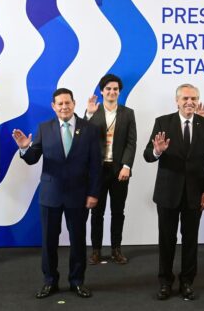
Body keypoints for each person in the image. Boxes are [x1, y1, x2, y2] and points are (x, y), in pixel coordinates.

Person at [12, 88, 101, 299]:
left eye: (67, 103)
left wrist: (93, 193)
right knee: (49, 241)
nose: (64, 107)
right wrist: (24, 148)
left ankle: (77, 282)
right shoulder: (44, 128)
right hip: (50, 194)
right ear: (53, 106)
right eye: (60, 103)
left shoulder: (89, 129)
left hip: (79, 195)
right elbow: (33, 157)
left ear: (74, 103)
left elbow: (96, 165)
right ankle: (50, 281)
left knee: (78, 241)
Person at [143, 84, 204, 301]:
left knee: (190, 240)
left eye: (194, 98)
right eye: (185, 98)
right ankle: (165, 282)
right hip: (167, 193)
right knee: (166, 240)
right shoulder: (163, 122)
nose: (190, 102)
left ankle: (187, 282)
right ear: (177, 101)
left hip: (195, 194)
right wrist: (157, 151)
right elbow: (147, 154)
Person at [85, 74, 137, 265]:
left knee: (118, 212)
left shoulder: (128, 113)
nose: (112, 92)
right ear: (102, 91)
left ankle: (116, 249)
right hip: (97, 172)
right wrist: (88, 115)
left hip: (119, 171)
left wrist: (126, 166)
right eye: (108, 89)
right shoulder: (93, 111)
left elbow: (131, 142)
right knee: (96, 213)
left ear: (119, 92)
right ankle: (96, 251)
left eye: (115, 89)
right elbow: (83, 136)